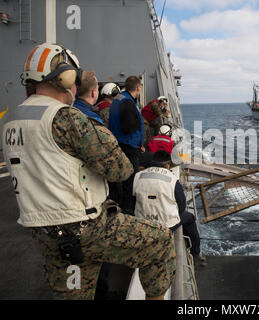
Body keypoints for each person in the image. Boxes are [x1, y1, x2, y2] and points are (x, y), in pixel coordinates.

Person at [2, 43, 175, 299]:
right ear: (66, 77)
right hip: (85, 228)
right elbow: (120, 168)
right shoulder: (66, 118)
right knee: (160, 242)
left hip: (47, 235)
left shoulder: (12, 121)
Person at [133, 150, 206, 267]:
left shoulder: (137, 176)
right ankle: (195, 254)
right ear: (167, 164)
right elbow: (181, 206)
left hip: (142, 222)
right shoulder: (172, 179)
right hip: (166, 225)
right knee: (190, 218)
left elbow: (131, 200)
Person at [108, 76, 146, 215]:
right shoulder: (128, 103)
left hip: (122, 144)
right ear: (138, 87)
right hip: (128, 147)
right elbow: (129, 127)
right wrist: (139, 142)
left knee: (125, 181)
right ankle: (128, 212)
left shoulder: (120, 99)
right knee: (130, 182)